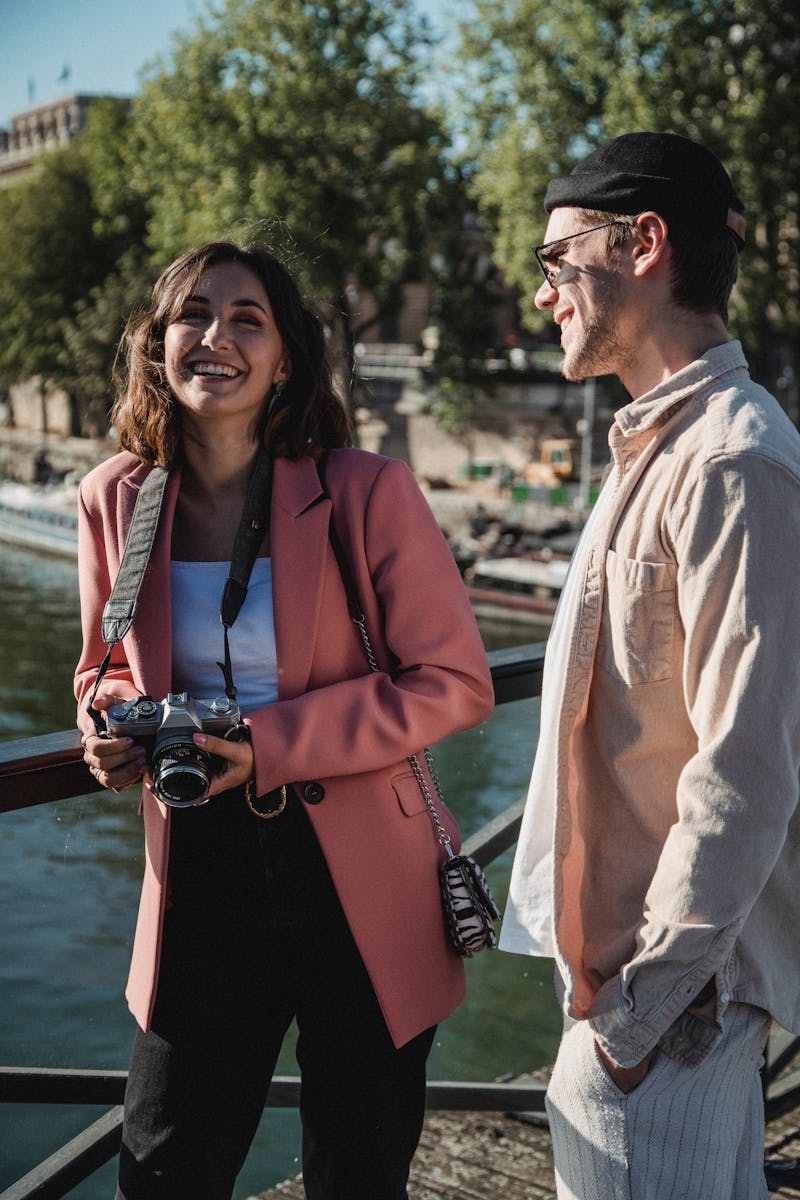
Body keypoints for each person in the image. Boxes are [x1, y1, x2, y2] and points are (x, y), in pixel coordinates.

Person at [74, 240, 494, 1200]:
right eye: (191, 315)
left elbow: (455, 682)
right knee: (164, 1169)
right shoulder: (114, 498)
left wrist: (268, 744)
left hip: (359, 883)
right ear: (156, 342)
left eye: (246, 319)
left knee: (355, 1173)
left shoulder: (364, 491)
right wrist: (108, 725)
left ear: (286, 358)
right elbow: (99, 668)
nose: (214, 336)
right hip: (200, 879)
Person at [499, 132, 800, 1198]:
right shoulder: (668, 448)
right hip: (650, 993)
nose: (542, 294)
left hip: (670, 1009)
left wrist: (638, 1015)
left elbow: (746, 766)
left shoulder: (728, 465)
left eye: (553, 257)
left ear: (642, 246)